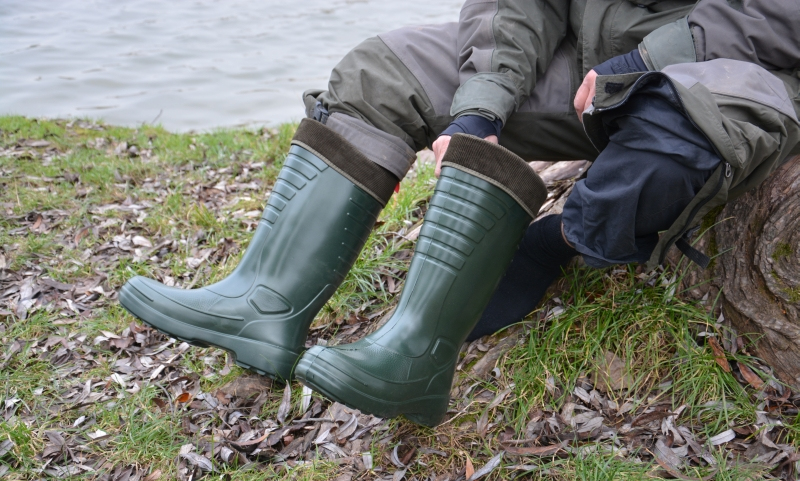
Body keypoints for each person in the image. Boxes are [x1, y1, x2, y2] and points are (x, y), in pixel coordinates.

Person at [120, 0, 800, 427]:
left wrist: (648, 58)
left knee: (678, 128)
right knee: (383, 71)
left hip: (732, 69)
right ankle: (264, 304)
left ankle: (461, 321)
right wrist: (481, 107)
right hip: (588, 70)